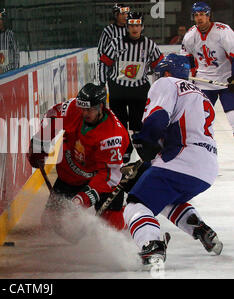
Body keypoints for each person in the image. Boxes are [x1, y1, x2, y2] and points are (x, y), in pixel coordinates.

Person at [122, 53, 222, 268]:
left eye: (158, 74)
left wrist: (142, 143)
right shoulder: (202, 95)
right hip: (207, 169)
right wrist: (149, 162)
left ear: (167, 73)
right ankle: (199, 227)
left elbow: (157, 120)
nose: (156, 78)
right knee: (165, 197)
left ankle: (152, 245)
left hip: (180, 160)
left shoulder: (167, 83)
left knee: (135, 204)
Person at [27, 83, 130, 243]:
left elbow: (108, 176)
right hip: (71, 176)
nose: (84, 113)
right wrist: (40, 142)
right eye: (82, 109)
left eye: (89, 110)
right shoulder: (73, 108)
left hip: (102, 181)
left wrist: (84, 198)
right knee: (50, 222)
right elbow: (52, 115)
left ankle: (128, 219)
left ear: (101, 107)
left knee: (112, 225)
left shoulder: (113, 136)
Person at [99, 11, 164, 163]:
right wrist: (102, 84)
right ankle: (125, 149)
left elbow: (159, 66)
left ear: (142, 26)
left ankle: (143, 149)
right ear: (127, 27)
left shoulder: (149, 44)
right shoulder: (115, 43)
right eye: (132, 25)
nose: (135, 28)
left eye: (138, 25)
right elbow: (104, 62)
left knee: (138, 123)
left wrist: (161, 85)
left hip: (139, 90)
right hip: (118, 89)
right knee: (119, 123)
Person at [180, 2, 234, 136]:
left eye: (203, 14)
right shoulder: (190, 35)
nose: (199, 18)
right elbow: (187, 59)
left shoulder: (223, 31)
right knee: (200, 120)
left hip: (227, 81)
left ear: (209, 16)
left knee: (233, 115)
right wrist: (188, 80)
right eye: (196, 15)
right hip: (203, 82)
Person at [97, 3, 130, 84]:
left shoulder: (132, 29)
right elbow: (101, 52)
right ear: (116, 15)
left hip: (130, 72)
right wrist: (102, 78)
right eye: (122, 14)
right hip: (113, 74)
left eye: (126, 14)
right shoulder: (108, 31)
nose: (125, 16)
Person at [0, 8, 19, 75]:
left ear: (4, 20)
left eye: (0, 19)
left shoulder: (10, 34)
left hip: (10, 71)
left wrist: (16, 71)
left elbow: (16, 53)